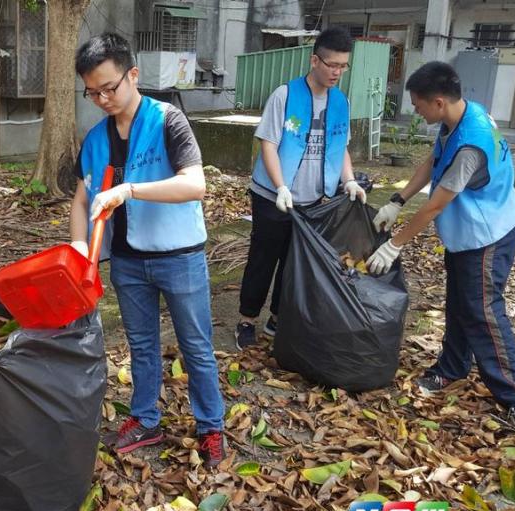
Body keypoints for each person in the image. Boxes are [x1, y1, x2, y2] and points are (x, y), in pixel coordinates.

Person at [69, 33, 226, 467]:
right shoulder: (96, 138)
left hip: (179, 257)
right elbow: (81, 200)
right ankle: (145, 419)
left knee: (196, 346)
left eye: (109, 88)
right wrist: (79, 246)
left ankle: (211, 427)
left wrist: (130, 189)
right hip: (127, 261)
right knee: (141, 345)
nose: (102, 99)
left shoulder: (167, 120)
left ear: (132, 74)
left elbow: (195, 184)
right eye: (92, 92)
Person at [366, 61, 515, 429]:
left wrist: (395, 244)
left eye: (418, 104)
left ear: (438, 101)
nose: (416, 110)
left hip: (490, 232)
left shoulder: (470, 144)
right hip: (468, 231)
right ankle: (452, 367)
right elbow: (433, 161)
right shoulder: (459, 118)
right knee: (461, 302)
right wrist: (397, 198)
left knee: (483, 310)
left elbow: (438, 204)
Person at [235, 27, 366, 350]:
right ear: (314, 60)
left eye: (343, 66)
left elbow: (340, 146)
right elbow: (268, 144)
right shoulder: (285, 95)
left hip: (314, 199)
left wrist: (348, 179)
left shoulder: (340, 102)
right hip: (272, 196)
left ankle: (277, 318)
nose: (337, 72)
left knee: (296, 261)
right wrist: (281, 187)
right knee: (264, 257)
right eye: (332, 64)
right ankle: (246, 320)